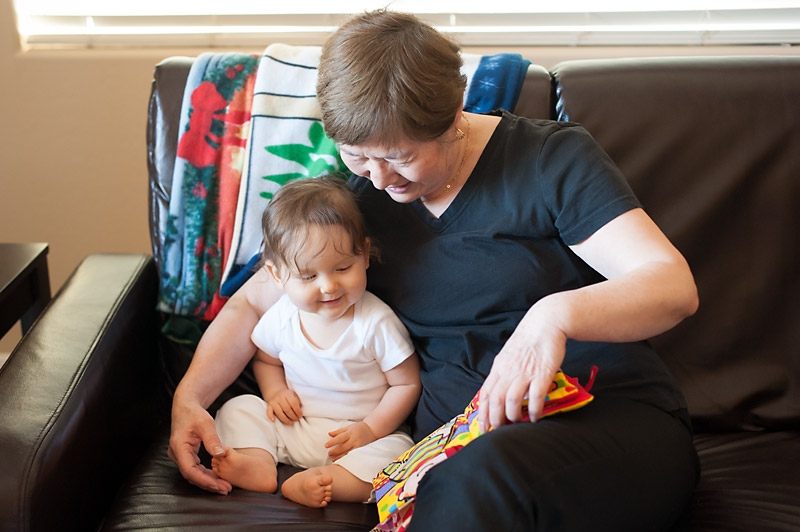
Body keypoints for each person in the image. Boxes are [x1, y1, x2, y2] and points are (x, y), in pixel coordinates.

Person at [170, 9, 701, 531]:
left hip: (605, 419)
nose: (378, 179)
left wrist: (553, 316)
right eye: (357, 156)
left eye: (399, 157)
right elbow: (254, 302)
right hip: (460, 447)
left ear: (452, 117)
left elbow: (671, 285)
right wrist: (189, 400)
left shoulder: (549, 161)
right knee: (451, 480)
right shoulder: (361, 205)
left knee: (474, 479)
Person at [206, 177, 420, 507]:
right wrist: (275, 393)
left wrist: (370, 431)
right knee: (238, 408)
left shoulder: (375, 322)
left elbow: (406, 385)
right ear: (277, 276)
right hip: (295, 427)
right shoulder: (283, 316)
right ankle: (259, 465)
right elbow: (266, 360)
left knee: (399, 453)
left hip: (358, 439)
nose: (329, 286)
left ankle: (325, 482)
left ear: (364, 255)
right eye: (309, 276)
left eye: (343, 267)